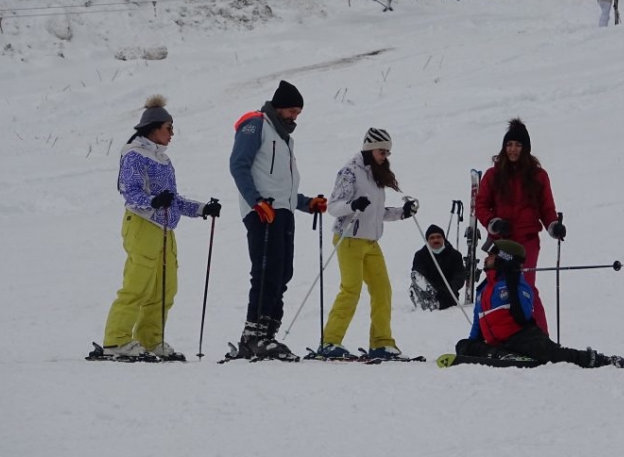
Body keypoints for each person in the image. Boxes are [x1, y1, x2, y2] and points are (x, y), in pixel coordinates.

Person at [103, 95, 222, 360]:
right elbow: (129, 191)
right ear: (154, 128)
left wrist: (203, 209)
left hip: (166, 228)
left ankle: (150, 339)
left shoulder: (164, 160)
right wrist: (154, 201)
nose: (172, 134)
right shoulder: (135, 155)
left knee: (165, 288)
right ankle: (116, 340)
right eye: (169, 128)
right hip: (142, 224)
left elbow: (173, 199)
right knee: (138, 284)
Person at [229, 80, 328, 360]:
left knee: (283, 273)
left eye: (298, 112)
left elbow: (282, 188)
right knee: (266, 272)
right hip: (263, 212)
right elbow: (238, 165)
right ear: (280, 107)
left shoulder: (285, 138)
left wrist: (307, 203)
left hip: (281, 212)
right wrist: (256, 201)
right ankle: (253, 337)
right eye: (293, 110)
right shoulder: (257, 125)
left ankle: (268, 334)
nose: (295, 116)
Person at [318, 128, 419, 360]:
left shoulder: (375, 175)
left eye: (387, 152)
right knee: (351, 289)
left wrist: (402, 213)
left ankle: (381, 343)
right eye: (382, 151)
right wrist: (352, 206)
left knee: (383, 290)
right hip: (349, 239)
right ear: (369, 148)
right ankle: (330, 341)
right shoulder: (350, 172)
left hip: (371, 242)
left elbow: (376, 213)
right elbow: (334, 206)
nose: (385, 155)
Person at [456, 239, 624, 369]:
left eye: (491, 255)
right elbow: (477, 330)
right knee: (463, 345)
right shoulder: (483, 290)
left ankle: (601, 361)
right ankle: (507, 356)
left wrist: (512, 281)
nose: (486, 259)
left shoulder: (518, 284)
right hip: (499, 346)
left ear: (503, 258)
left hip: (524, 338)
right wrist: (471, 347)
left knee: (555, 354)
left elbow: (522, 317)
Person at [475, 117, 565, 335]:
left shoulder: (538, 176)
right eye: (509, 145)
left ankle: (540, 336)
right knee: (498, 286)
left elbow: (547, 209)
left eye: (517, 145)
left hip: (527, 241)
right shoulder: (493, 174)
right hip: (501, 242)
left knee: (525, 286)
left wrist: (553, 226)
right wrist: (493, 223)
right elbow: (481, 205)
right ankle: (503, 334)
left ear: (525, 148)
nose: (513, 149)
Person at [410, 224, 466, 311]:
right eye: (432, 238)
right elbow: (419, 272)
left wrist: (450, 287)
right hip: (429, 289)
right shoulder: (420, 255)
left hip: (448, 290)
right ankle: (422, 299)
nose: (435, 240)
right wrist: (433, 288)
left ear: (443, 238)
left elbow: (459, 275)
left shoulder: (455, 255)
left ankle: (434, 304)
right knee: (418, 279)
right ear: (427, 241)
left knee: (449, 297)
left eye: (438, 237)